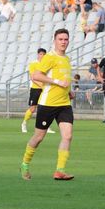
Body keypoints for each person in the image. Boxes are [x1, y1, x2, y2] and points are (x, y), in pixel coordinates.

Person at [20, 29, 75, 181]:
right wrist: (57, 82)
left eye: (65, 39)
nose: (63, 42)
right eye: (60, 39)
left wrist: (69, 91)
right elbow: (35, 75)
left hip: (64, 104)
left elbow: (64, 78)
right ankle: (25, 164)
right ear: (54, 41)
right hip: (48, 104)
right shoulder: (50, 57)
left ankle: (60, 170)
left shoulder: (67, 58)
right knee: (38, 137)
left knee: (68, 136)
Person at [21, 48, 54, 134]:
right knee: (32, 109)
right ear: (38, 55)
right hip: (35, 89)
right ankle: (24, 123)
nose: (42, 56)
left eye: (44, 54)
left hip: (45, 89)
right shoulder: (33, 64)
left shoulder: (47, 64)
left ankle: (46, 126)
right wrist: (41, 86)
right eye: (40, 54)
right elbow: (33, 78)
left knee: (46, 108)